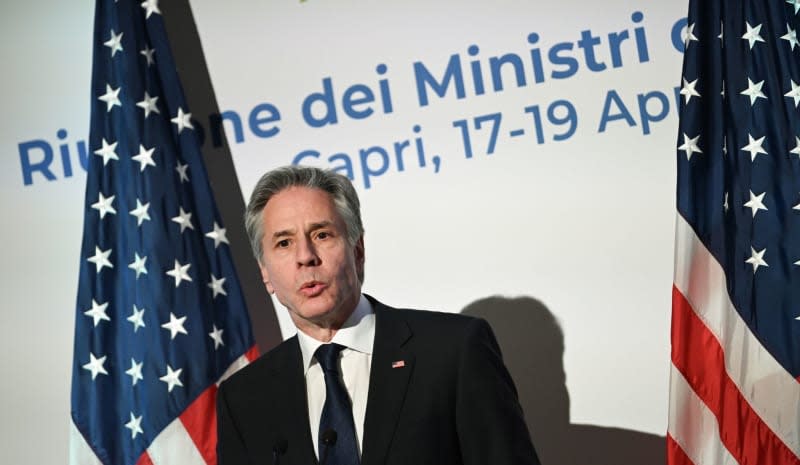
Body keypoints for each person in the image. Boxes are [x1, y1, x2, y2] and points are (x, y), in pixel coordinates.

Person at [216, 165, 540, 465]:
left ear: (358, 251)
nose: (305, 257)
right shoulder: (244, 397)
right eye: (284, 243)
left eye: (322, 235)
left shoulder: (452, 352)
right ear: (265, 274)